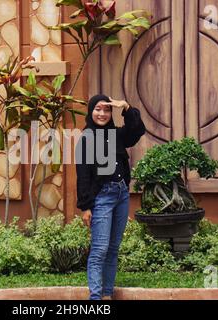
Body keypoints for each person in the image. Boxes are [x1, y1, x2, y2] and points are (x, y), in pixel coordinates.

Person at [76, 94, 146, 300]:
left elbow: (137, 130)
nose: (102, 114)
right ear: (90, 111)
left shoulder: (117, 135)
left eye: (106, 110)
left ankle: (107, 295)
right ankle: (95, 298)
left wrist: (125, 107)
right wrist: (86, 207)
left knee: (113, 249)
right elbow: (83, 175)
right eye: (98, 109)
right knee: (100, 249)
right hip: (102, 198)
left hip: (121, 194)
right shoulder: (87, 138)